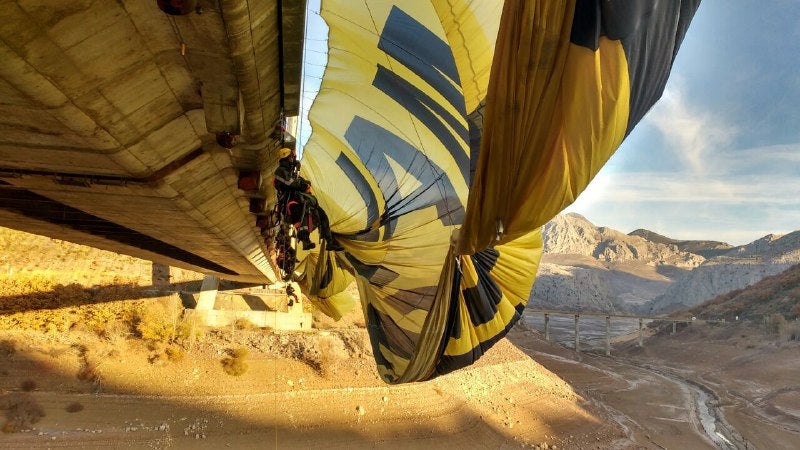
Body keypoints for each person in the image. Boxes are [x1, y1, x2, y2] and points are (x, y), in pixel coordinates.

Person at [273, 148, 343, 251]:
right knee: (301, 217)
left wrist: (305, 182)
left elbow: (299, 181)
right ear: (288, 158)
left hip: (300, 198)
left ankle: (330, 241)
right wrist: (303, 184)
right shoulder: (280, 171)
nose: (293, 158)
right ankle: (305, 240)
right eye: (292, 157)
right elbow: (291, 183)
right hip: (291, 201)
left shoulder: (291, 171)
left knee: (322, 215)